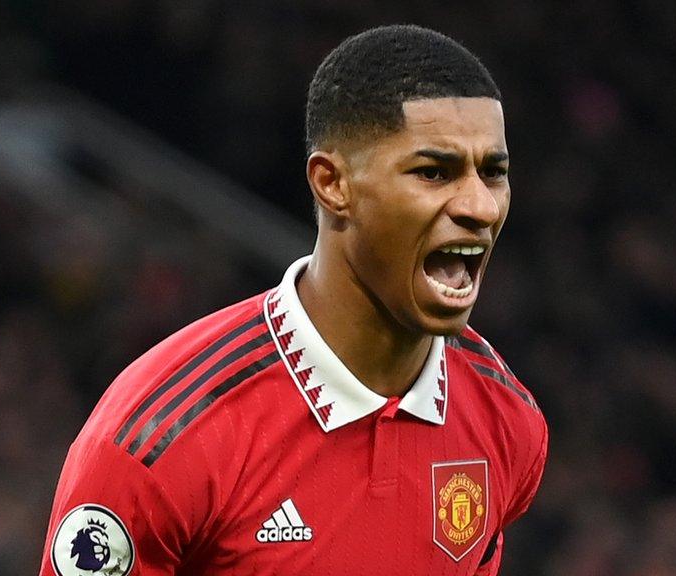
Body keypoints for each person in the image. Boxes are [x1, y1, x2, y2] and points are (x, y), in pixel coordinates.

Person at [39, 24, 547, 576]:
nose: (480, 205)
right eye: (434, 172)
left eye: (493, 173)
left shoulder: (507, 420)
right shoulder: (159, 439)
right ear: (333, 185)